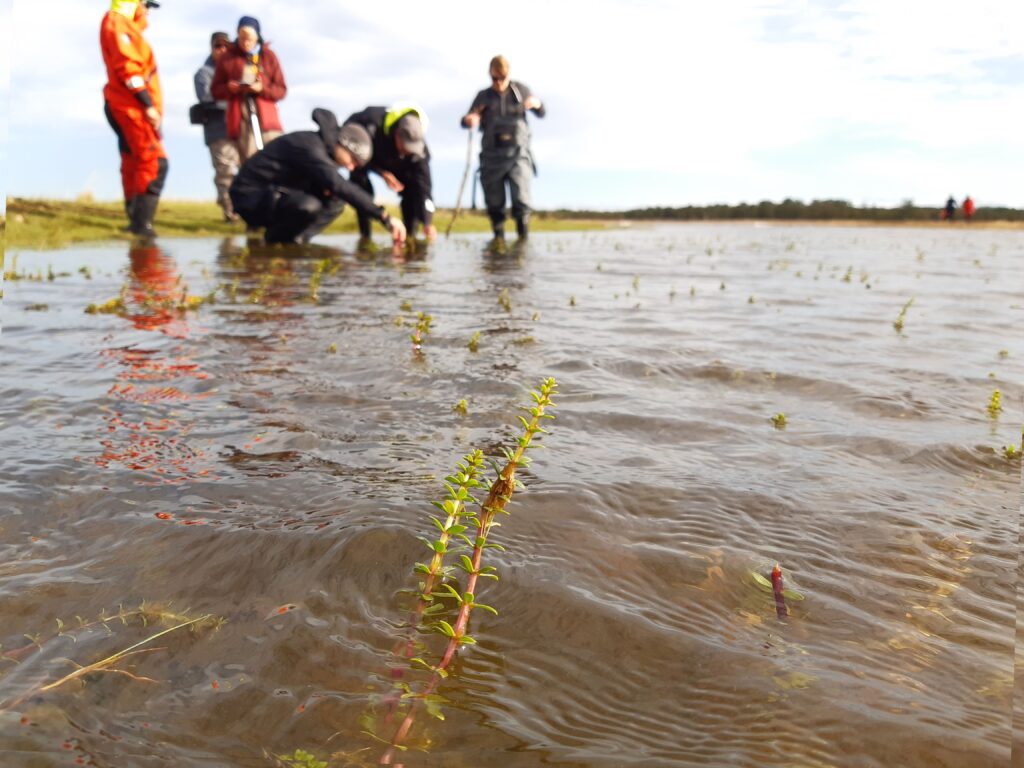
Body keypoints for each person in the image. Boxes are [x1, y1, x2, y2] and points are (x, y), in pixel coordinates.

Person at [229, 107, 406, 246]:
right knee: (309, 205)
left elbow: (333, 186)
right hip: (249, 197)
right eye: (352, 160)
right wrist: (384, 216)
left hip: (276, 192)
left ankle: (296, 240)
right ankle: (273, 240)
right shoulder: (310, 146)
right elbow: (339, 184)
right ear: (344, 145)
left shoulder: (322, 152)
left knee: (335, 200)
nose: (351, 167)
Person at [99, 0, 167, 237]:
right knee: (155, 162)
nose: (148, 11)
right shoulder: (118, 23)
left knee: (133, 160)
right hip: (130, 107)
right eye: (146, 4)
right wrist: (147, 104)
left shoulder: (125, 26)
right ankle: (141, 225)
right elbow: (128, 68)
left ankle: (135, 221)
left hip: (126, 104)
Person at [461, 55, 545, 240]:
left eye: (502, 78)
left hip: (518, 155)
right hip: (492, 157)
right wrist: (470, 119)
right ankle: (498, 240)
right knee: (494, 202)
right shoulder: (483, 96)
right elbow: (466, 120)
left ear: (508, 75)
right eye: (494, 78)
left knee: (521, 199)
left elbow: (542, 112)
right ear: (490, 75)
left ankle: (522, 244)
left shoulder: (521, 90)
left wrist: (537, 104)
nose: (498, 82)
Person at [343, 106, 436, 241]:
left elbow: (425, 187)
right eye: (406, 146)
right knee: (360, 182)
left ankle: (408, 236)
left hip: (395, 163)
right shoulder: (369, 121)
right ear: (397, 134)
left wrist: (428, 222)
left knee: (413, 190)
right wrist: (381, 173)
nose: (408, 151)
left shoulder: (420, 153)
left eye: (412, 148)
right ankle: (365, 236)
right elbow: (346, 143)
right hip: (366, 156)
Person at [210, 16, 287, 162]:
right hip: (242, 121)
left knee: (277, 162)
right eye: (242, 38)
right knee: (251, 164)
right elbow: (215, 90)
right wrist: (230, 88)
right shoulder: (228, 58)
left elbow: (281, 89)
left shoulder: (268, 56)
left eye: (249, 39)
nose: (245, 42)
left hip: (268, 122)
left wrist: (261, 88)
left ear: (257, 36)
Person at [194, 31, 240, 222]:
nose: (222, 50)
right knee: (225, 171)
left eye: (225, 46)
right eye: (217, 46)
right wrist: (232, 98)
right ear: (212, 48)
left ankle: (248, 211)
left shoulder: (237, 70)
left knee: (248, 169)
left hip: (240, 129)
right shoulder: (204, 74)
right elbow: (207, 98)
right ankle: (230, 213)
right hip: (218, 131)